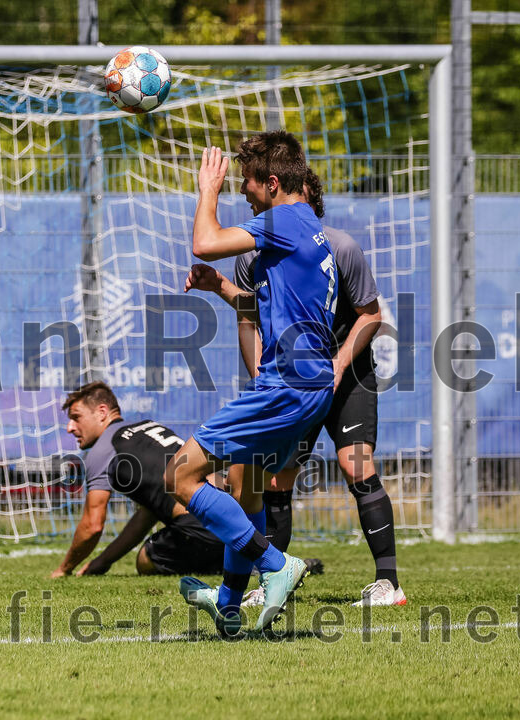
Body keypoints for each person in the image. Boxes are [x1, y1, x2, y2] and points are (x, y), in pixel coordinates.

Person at [168, 132, 338, 636]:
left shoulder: (284, 221)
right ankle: (228, 605)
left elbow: (205, 242)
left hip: (286, 386)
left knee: (179, 476)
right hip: (307, 388)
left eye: (246, 180)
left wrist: (208, 190)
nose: (241, 189)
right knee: (247, 492)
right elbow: (267, 310)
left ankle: (275, 564)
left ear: (273, 182)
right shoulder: (306, 228)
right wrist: (221, 286)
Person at [230, 168, 404, 608]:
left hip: (349, 375)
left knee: (355, 465)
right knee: (275, 476)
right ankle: (272, 581)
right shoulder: (250, 257)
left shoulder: (340, 247)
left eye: (300, 199)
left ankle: (388, 584)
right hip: (292, 380)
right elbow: (248, 321)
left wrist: (339, 363)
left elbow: (371, 315)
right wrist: (261, 378)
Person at [51, 382, 224, 579]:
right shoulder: (150, 428)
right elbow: (148, 514)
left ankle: (222, 563)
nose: (70, 428)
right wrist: (103, 561)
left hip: (200, 527)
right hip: (234, 513)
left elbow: (93, 526)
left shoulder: (103, 450)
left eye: (76, 417)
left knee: (146, 559)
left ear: (102, 412)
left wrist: (64, 569)